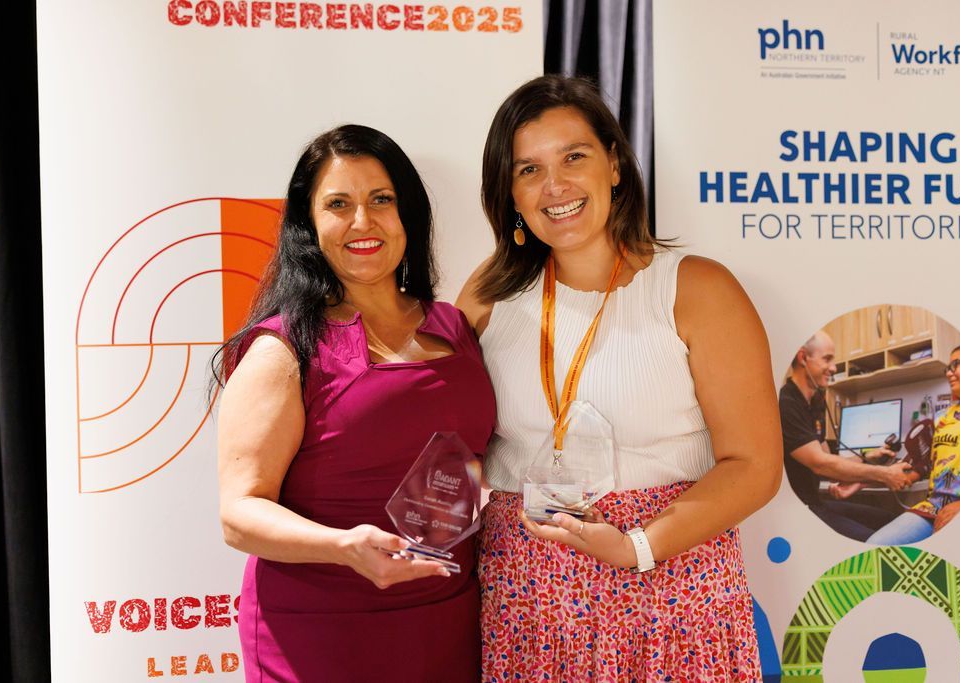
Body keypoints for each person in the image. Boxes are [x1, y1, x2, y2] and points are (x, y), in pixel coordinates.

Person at [457, 75, 782, 681]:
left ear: (614, 164)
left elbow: (755, 465)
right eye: (528, 170)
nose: (555, 186)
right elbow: (454, 440)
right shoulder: (487, 295)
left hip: (673, 589)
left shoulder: (697, 289)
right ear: (510, 193)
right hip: (529, 600)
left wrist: (638, 544)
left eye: (573, 156)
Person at [215, 125, 496, 682]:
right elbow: (238, 515)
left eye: (381, 200)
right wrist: (344, 547)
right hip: (321, 631)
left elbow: (465, 458)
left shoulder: (454, 326)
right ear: (310, 224)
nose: (363, 222)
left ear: (408, 215)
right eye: (338, 204)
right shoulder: (284, 347)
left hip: (446, 619)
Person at [779, 331, 913, 541]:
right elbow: (820, 464)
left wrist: (869, 455)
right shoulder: (787, 403)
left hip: (816, 503)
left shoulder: (814, 402)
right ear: (803, 357)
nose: (833, 368)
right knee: (876, 541)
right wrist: (884, 474)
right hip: (799, 510)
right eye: (827, 359)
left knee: (891, 520)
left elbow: (830, 462)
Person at [868, 343, 960, 545]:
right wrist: (858, 481)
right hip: (933, 509)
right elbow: (917, 464)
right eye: (948, 368)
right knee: (876, 546)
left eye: (957, 364)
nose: (949, 373)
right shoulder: (941, 418)